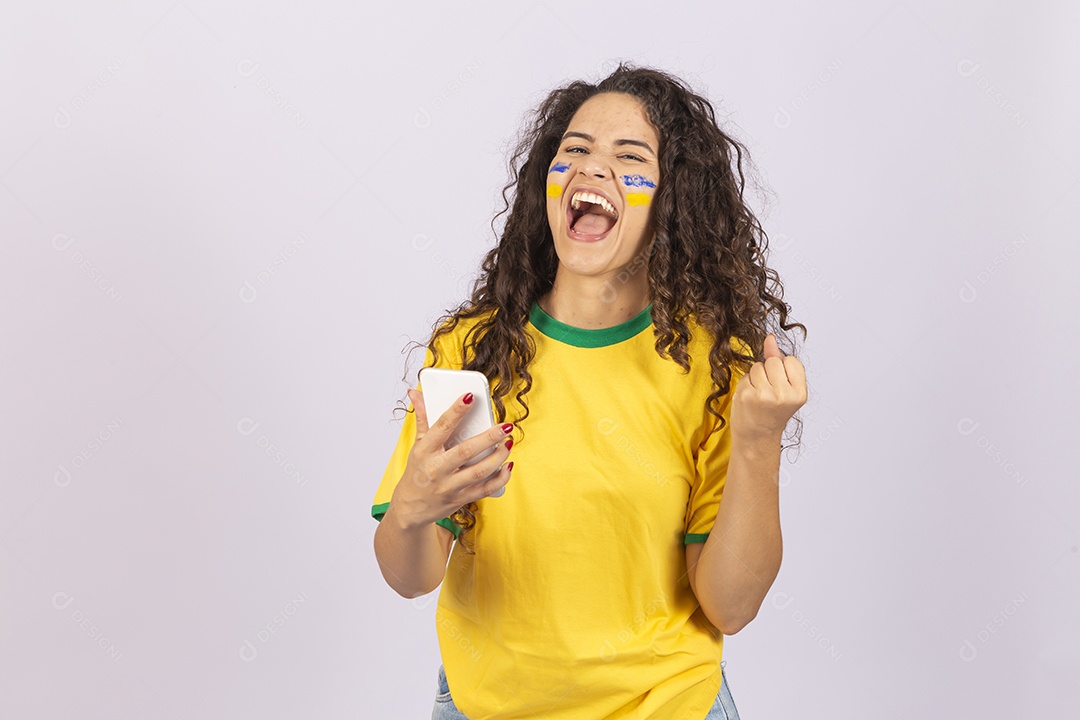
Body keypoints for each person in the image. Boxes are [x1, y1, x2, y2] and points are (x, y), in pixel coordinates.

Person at [371, 62, 808, 720]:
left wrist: (757, 440)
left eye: (628, 156)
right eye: (573, 150)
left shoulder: (717, 367)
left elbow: (731, 605)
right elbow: (411, 576)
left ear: (671, 199)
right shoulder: (473, 351)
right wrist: (411, 508)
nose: (592, 167)